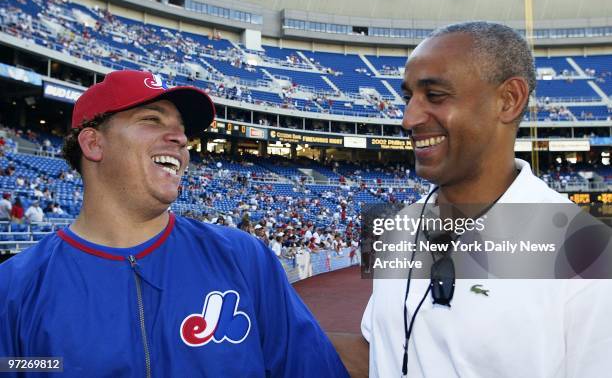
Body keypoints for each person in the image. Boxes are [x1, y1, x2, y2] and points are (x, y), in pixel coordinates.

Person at [0, 70, 348, 377]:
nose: (181, 139)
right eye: (152, 120)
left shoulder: (244, 258)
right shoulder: (15, 288)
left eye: (182, 131)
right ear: (93, 143)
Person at [358, 22, 612, 377]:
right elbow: (381, 351)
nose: (408, 119)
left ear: (508, 100)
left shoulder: (587, 254)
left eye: (435, 96)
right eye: (408, 98)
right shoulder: (399, 229)